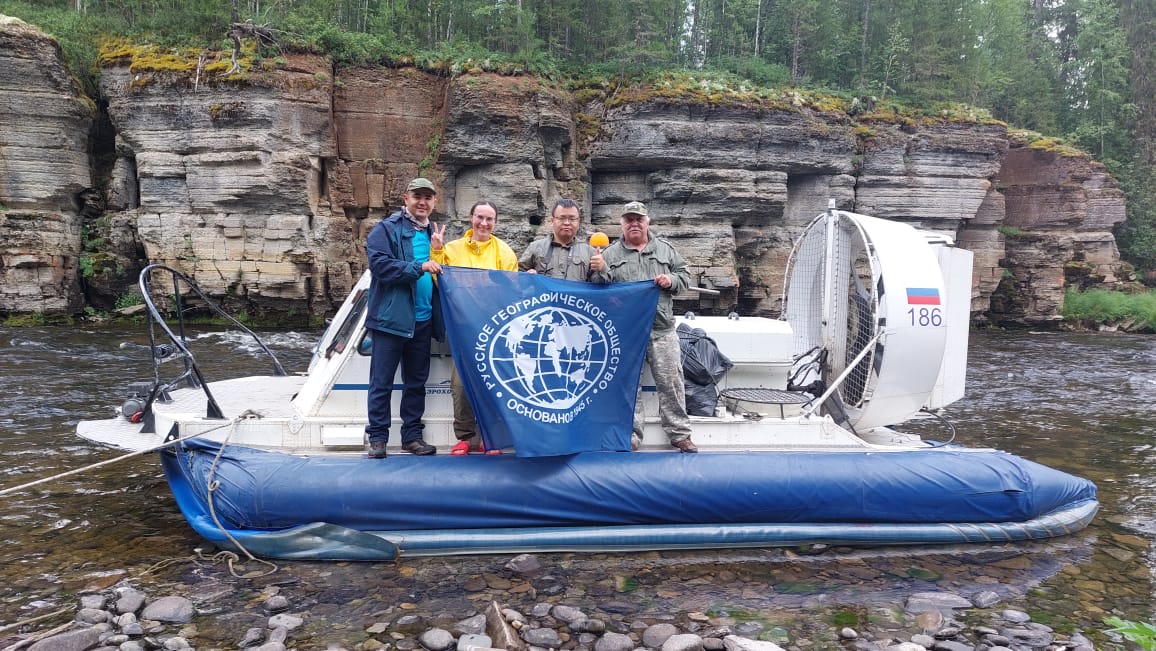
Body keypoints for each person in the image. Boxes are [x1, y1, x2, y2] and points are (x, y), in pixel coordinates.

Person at [589, 201, 697, 453]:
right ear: (622, 225)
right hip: (626, 333)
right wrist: (601, 271)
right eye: (629, 220)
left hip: (662, 329)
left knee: (671, 381)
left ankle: (680, 433)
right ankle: (631, 434)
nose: (634, 223)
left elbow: (684, 277)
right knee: (629, 386)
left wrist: (671, 280)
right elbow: (598, 288)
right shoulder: (609, 254)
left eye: (639, 219)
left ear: (647, 222)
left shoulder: (666, 250)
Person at [362, 178, 444, 459]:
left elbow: (441, 269)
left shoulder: (434, 233)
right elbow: (380, 266)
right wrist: (418, 266)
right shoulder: (384, 230)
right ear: (405, 198)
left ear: (434, 202)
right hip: (390, 321)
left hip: (422, 321)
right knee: (381, 382)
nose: (423, 202)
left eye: (428, 198)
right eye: (417, 196)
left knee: (416, 382)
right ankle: (378, 438)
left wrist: (438, 251)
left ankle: (412, 437)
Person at [432, 200, 519, 455]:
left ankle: (490, 437)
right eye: (479, 217)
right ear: (471, 218)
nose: (484, 223)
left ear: (495, 222)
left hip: (494, 328)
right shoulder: (452, 248)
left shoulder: (505, 253)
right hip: (462, 329)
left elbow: (511, 291)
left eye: (489, 219)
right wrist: (436, 251)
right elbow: (439, 280)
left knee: (494, 383)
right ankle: (465, 436)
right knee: (460, 385)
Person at [519, 198, 597, 280]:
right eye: (562, 218)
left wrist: (602, 268)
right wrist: (526, 276)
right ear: (552, 220)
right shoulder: (535, 247)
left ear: (578, 222)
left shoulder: (590, 252)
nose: (567, 223)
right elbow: (515, 277)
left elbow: (600, 286)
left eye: (572, 219)